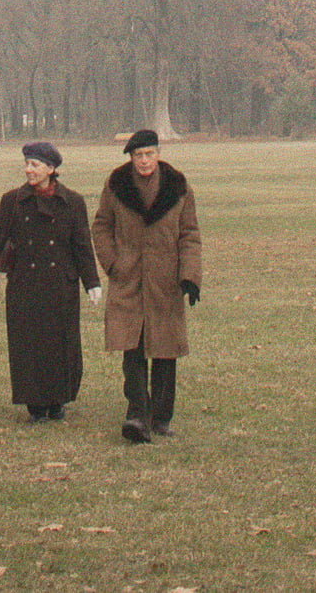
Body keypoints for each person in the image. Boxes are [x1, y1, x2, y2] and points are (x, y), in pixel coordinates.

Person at [91, 127, 202, 443]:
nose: (144, 161)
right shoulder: (116, 184)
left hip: (166, 279)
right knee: (132, 346)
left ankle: (161, 418)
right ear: (130, 157)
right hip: (128, 277)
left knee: (166, 349)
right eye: (138, 155)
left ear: (159, 153)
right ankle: (137, 414)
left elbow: (189, 234)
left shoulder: (178, 186)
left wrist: (190, 276)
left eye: (149, 154)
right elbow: (101, 226)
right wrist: (113, 263)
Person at [0, 142, 103, 421]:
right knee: (28, 343)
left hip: (61, 284)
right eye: (27, 164)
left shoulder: (72, 202)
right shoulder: (11, 201)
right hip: (25, 283)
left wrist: (92, 283)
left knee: (61, 343)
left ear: (51, 169)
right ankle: (34, 402)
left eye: (35, 165)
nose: (28, 170)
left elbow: (82, 245)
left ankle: (58, 399)